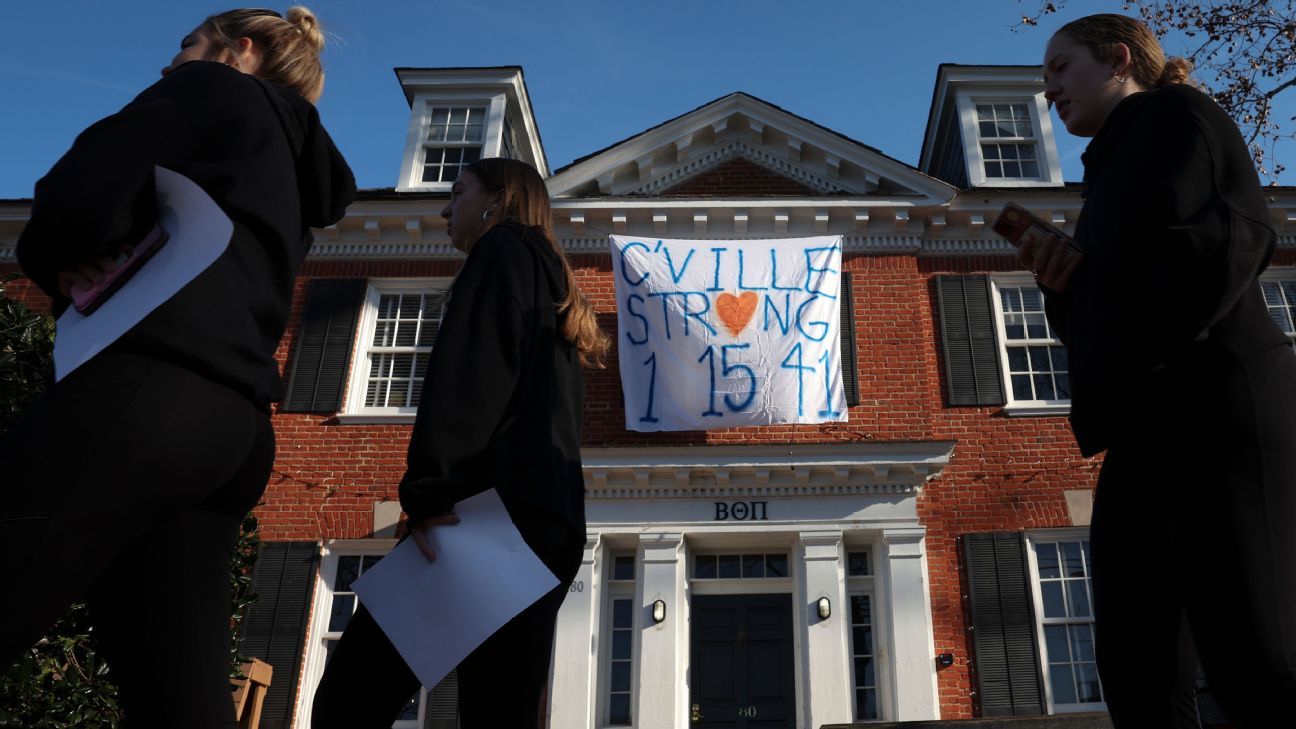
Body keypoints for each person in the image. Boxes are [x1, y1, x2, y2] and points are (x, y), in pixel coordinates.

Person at [0, 7, 354, 727]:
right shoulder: (295, 171)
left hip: (150, 387)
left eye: (187, 45)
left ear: (239, 51)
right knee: (180, 701)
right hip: (235, 429)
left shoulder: (213, 91)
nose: (170, 64)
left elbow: (78, 194)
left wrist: (62, 255)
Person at [1023, 13, 1296, 728]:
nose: (1049, 90)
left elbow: (1230, 242)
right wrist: (1064, 284)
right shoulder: (1102, 178)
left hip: (1224, 401)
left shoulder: (1179, 115)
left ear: (1118, 59)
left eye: (1060, 69)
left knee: (1255, 651)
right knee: (1135, 661)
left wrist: (1105, 293)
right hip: (1146, 426)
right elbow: (1102, 322)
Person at [310, 157, 608, 728]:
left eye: (459, 192)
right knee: (499, 709)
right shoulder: (554, 282)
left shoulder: (500, 254)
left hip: (482, 519)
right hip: (551, 524)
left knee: (348, 700)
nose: (446, 208)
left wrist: (426, 494)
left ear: (497, 199)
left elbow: (469, 379)